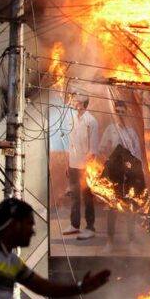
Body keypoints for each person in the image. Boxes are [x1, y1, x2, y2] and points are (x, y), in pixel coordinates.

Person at [98, 100, 143, 252]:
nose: (120, 114)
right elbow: (102, 149)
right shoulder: (110, 130)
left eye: (123, 112)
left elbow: (137, 154)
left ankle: (131, 242)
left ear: (126, 113)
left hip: (129, 175)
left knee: (130, 208)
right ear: (115, 113)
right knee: (112, 208)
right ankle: (109, 242)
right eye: (118, 111)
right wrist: (111, 162)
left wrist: (132, 166)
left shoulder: (131, 133)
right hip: (114, 175)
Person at [63, 93, 99, 240]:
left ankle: (90, 227)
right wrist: (68, 163)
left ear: (84, 103)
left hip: (85, 167)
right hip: (72, 164)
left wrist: (86, 169)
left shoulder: (92, 121)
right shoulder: (72, 119)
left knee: (87, 197)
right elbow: (71, 145)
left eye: (76, 100)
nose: (73, 101)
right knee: (74, 196)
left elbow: (93, 149)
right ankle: (74, 225)